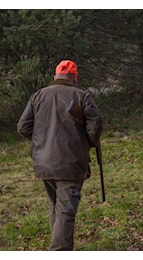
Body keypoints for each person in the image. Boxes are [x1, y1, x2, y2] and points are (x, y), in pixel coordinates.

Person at [17, 60, 104, 250]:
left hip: (43, 164)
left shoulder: (38, 96)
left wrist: (42, 142)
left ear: (56, 76)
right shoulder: (82, 96)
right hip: (70, 164)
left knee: (56, 206)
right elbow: (95, 125)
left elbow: (23, 127)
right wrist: (87, 143)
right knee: (66, 211)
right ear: (75, 77)